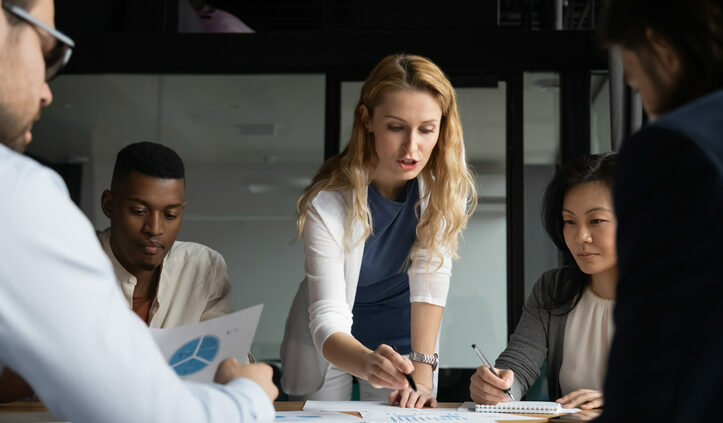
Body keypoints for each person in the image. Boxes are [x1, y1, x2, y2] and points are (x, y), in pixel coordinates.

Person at [0, 0, 278, 420]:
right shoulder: (19, 196)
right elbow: (135, 411)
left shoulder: (203, 267)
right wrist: (250, 398)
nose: (46, 90)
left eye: (170, 213)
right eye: (47, 51)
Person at [280, 53, 477, 408]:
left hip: (403, 335)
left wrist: (422, 372)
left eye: (426, 129)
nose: (411, 147)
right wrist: (367, 362)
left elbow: (430, 286)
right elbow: (327, 315)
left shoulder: (444, 191)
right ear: (367, 119)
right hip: (331, 339)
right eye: (396, 127)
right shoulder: (327, 204)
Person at [596, 0, 723, 420]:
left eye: (634, 81)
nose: (646, 104)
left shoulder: (675, 148)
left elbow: (656, 354)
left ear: (660, 47)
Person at [469, 153, 618, 411]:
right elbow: (519, 363)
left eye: (596, 221)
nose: (580, 236)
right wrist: (498, 387)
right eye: (569, 221)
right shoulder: (553, 288)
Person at [99, 141, 232, 327]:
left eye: (170, 215)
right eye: (139, 211)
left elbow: (225, 349)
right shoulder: (72, 264)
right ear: (109, 205)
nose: (154, 229)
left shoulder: (203, 269)